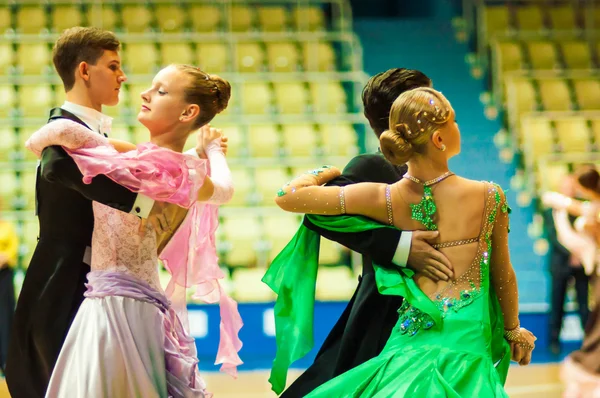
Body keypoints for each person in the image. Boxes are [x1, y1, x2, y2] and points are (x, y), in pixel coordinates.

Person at [270, 87, 536, 397]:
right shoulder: (489, 196)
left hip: (407, 345)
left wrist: (323, 172)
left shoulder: (385, 198)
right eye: (453, 121)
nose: (458, 127)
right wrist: (513, 330)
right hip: (466, 344)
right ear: (439, 139)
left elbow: (287, 197)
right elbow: (502, 273)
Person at [4, 27, 221, 397]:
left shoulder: (107, 139)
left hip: (109, 284)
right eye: (114, 66)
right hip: (64, 279)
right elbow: (56, 167)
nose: (124, 78)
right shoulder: (64, 128)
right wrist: (142, 205)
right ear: (85, 71)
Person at [275, 68, 454, 397]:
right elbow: (315, 214)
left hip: (436, 316)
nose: (442, 105)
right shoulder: (373, 166)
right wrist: (400, 247)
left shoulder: (433, 169)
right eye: (431, 98)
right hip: (389, 315)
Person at [542, 174, 589, 355]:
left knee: (584, 305)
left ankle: (588, 342)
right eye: (566, 185)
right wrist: (571, 254)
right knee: (557, 304)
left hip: (581, 265)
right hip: (560, 265)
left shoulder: (580, 207)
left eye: (572, 185)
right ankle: (553, 342)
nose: (569, 188)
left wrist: (581, 254)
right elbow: (553, 237)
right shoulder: (550, 210)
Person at [0, 201, 18, 376]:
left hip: (4, 276)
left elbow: (12, 250)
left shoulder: (7, 227)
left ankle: (6, 361)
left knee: (5, 316)